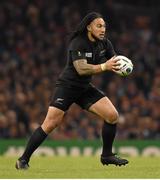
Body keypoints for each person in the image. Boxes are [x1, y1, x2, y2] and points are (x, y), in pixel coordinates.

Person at [15, 12, 129, 169]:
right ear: (89, 27)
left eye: (104, 26)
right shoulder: (78, 42)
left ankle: (107, 155)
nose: (103, 29)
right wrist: (104, 66)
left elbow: (114, 62)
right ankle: (23, 159)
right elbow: (81, 69)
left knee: (112, 116)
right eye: (99, 26)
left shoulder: (105, 44)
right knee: (50, 123)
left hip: (84, 88)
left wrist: (122, 66)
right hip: (67, 87)